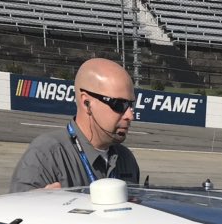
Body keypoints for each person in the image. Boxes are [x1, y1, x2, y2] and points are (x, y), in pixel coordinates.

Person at [10, 58, 140, 192]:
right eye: (119, 104)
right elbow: (16, 211)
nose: (130, 116)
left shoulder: (126, 159)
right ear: (86, 103)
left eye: (131, 105)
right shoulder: (47, 156)